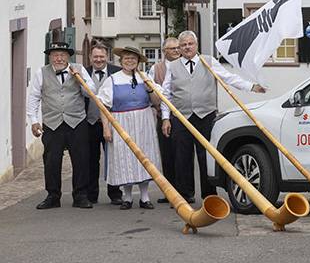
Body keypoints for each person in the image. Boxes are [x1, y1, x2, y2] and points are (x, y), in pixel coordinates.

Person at [160, 31, 265, 203]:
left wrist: (251, 87)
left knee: (206, 156)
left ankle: (209, 195)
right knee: (182, 157)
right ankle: (185, 194)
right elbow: (166, 94)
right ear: (179, 48)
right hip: (181, 116)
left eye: (190, 44)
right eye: (183, 45)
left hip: (205, 115)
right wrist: (165, 118)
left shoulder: (208, 61)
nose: (187, 47)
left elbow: (228, 78)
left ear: (196, 45)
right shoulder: (173, 66)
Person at [26, 42, 95, 209]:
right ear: (50, 57)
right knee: (51, 160)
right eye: (55, 55)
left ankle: (80, 195)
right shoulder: (41, 73)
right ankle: (52, 196)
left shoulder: (78, 69)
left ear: (68, 56)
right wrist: (34, 120)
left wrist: (80, 79)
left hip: (76, 121)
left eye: (62, 54)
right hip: (52, 122)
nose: (59, 58)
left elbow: (91, 92)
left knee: (81, 159)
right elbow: (34, 97)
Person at [98, 46, 162, 210]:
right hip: (121, 122)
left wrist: (150, 88)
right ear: (121, 61)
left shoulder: (145, 78)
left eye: (133, 58)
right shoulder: (112, 80)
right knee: (124, 157)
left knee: (145, 157)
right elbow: (103, 106)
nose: (130, 61)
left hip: (143, 122)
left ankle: (145, 197)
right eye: (126, 58)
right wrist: (106, 128)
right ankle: (127, 197)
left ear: (138, 61)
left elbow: (156, 102)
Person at [84, 42, 122, 205]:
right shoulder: (83, 73)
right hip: (90, 123)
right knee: (91, 160)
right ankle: (92, 195)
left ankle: (115, 193)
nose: (98, 60)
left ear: (107, 57)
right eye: (95, 57)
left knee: (113, 159)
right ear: (90, 58)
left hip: (111, 123)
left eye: (101, 56)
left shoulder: (117, 73)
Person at [149, 37, 179, 203]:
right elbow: (150, 88)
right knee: (166, 155)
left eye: (177, 48)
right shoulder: (156, 69)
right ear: (164, 51)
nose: (176, 51)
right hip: (163, 116)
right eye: (172, 49)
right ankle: (170, 192)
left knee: (182, 155)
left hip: (182, 116)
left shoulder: (184, 65)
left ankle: (183, 190)